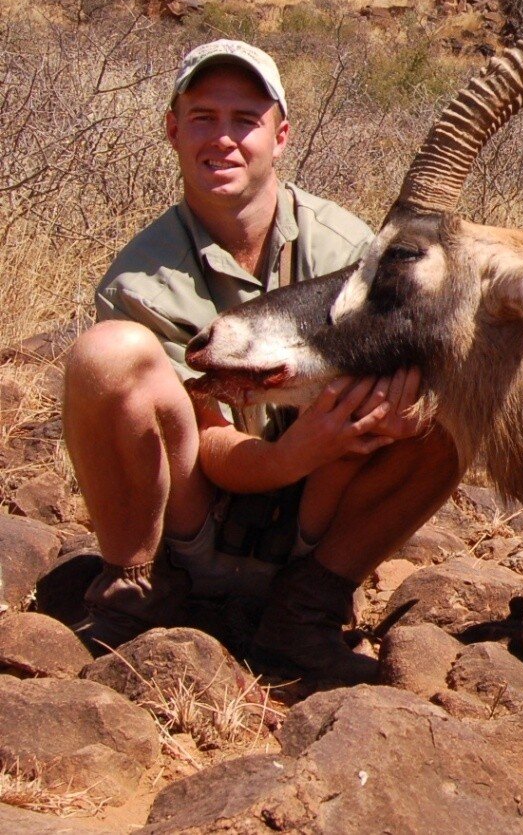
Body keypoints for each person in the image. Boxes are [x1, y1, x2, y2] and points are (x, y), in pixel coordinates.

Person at [60, 40, 459, 679]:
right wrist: (299, 450)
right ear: (172, 130)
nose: (223, 139)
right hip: (195, 517)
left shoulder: (348, 249)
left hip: (315, 520)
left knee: (448, 406)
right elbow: (207, 443)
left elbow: (410, 381)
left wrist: (399, 415)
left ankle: (305, 610)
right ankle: (136, 588)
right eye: (203, 118)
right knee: (107, 356)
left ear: (280, 136)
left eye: (245, 119)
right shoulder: (140, 280)